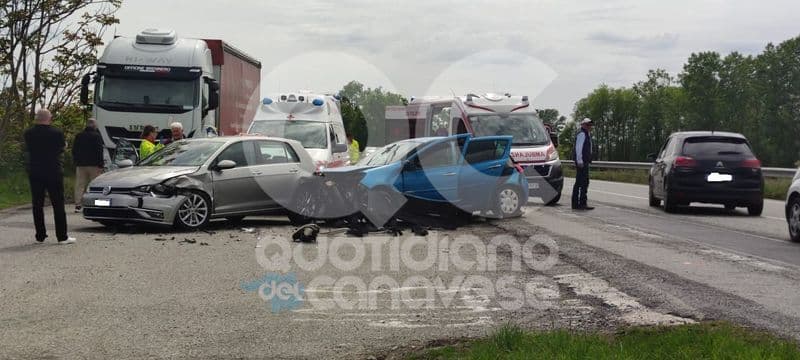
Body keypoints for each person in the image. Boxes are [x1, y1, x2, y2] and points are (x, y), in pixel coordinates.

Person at [23, 109, 76, 244]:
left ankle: (40, 235)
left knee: (37, 204)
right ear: (49, 118)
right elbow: (61, 148)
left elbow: (28, 149)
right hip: (53, 171)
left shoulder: (28, 133)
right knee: (58, 204)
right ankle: (62, 236)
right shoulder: (56, 133)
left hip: (35, 171)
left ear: (37, 118)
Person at [72, 118, 104, 212]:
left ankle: (78, 205)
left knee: (80, 184)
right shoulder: (97, 136)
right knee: (94, 184)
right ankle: (94, 204)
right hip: (94, 165)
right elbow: (99, 151)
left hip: (81, 164)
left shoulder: (79, 136)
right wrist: (101, 164)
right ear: (94, 126)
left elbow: (74, 150)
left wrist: (76, 161)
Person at [572, 118, 594, 210]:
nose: (590, 126)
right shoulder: (582, 134)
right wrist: (580, 161)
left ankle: (578, 204)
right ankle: (580, 204)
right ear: (583, 125)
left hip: (584, 161)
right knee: (583, 182)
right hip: (582, 162)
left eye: (590, 125)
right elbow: (578, 148)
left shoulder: (587, 134)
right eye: (588, 125)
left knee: (581, 182)